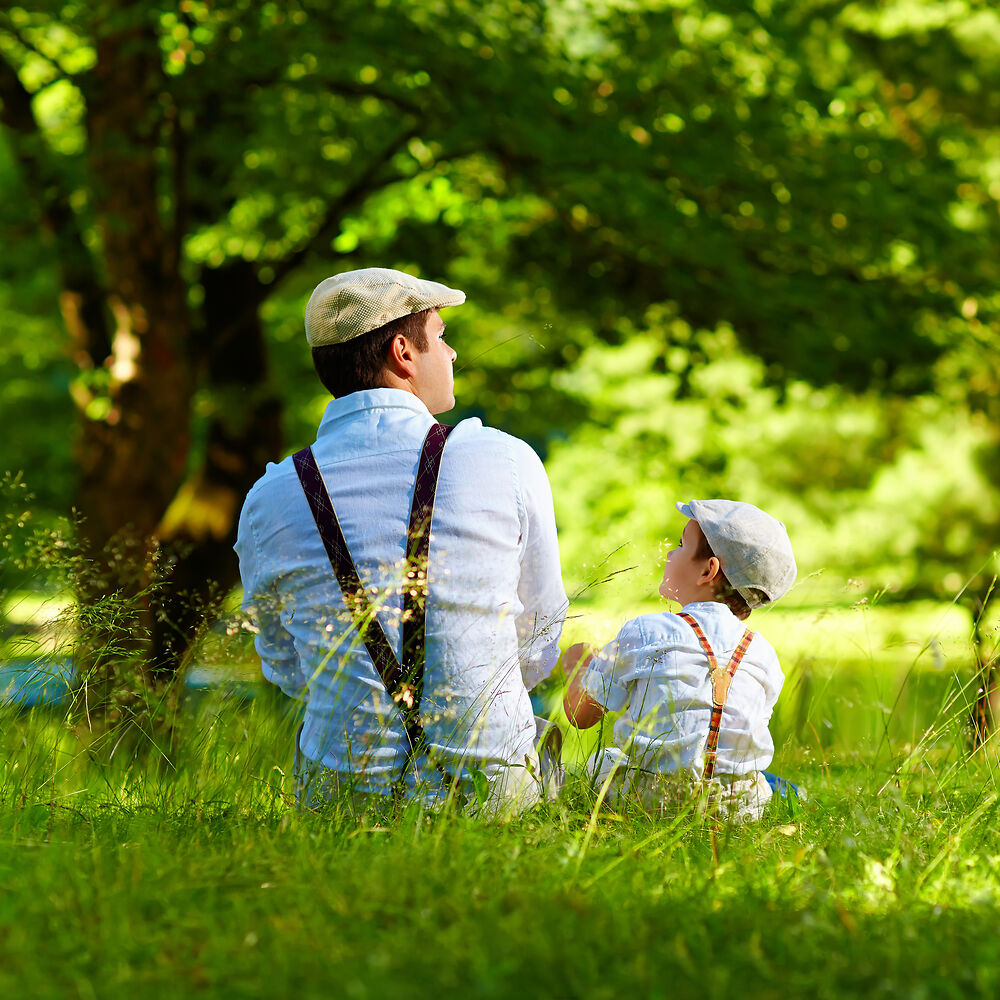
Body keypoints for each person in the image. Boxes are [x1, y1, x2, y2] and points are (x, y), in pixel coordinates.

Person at [236, 267, 568, 814]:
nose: (454, 352)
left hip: (341, 800)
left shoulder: (272, 497)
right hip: (490, 794)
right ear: (403, 352)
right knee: (545, 742)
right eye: (440, 336)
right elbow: (539, 637)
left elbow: (283, 660)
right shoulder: (504, 460)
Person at [562, 499, 796, 822]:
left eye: (681, 544)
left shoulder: (647, 631)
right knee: (761, 781)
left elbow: (580, 714)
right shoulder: (765, 655)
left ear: (707, 570)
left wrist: (577, 666)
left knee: (601, 761)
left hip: (650, 799)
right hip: (739, 809)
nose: (670, 553)